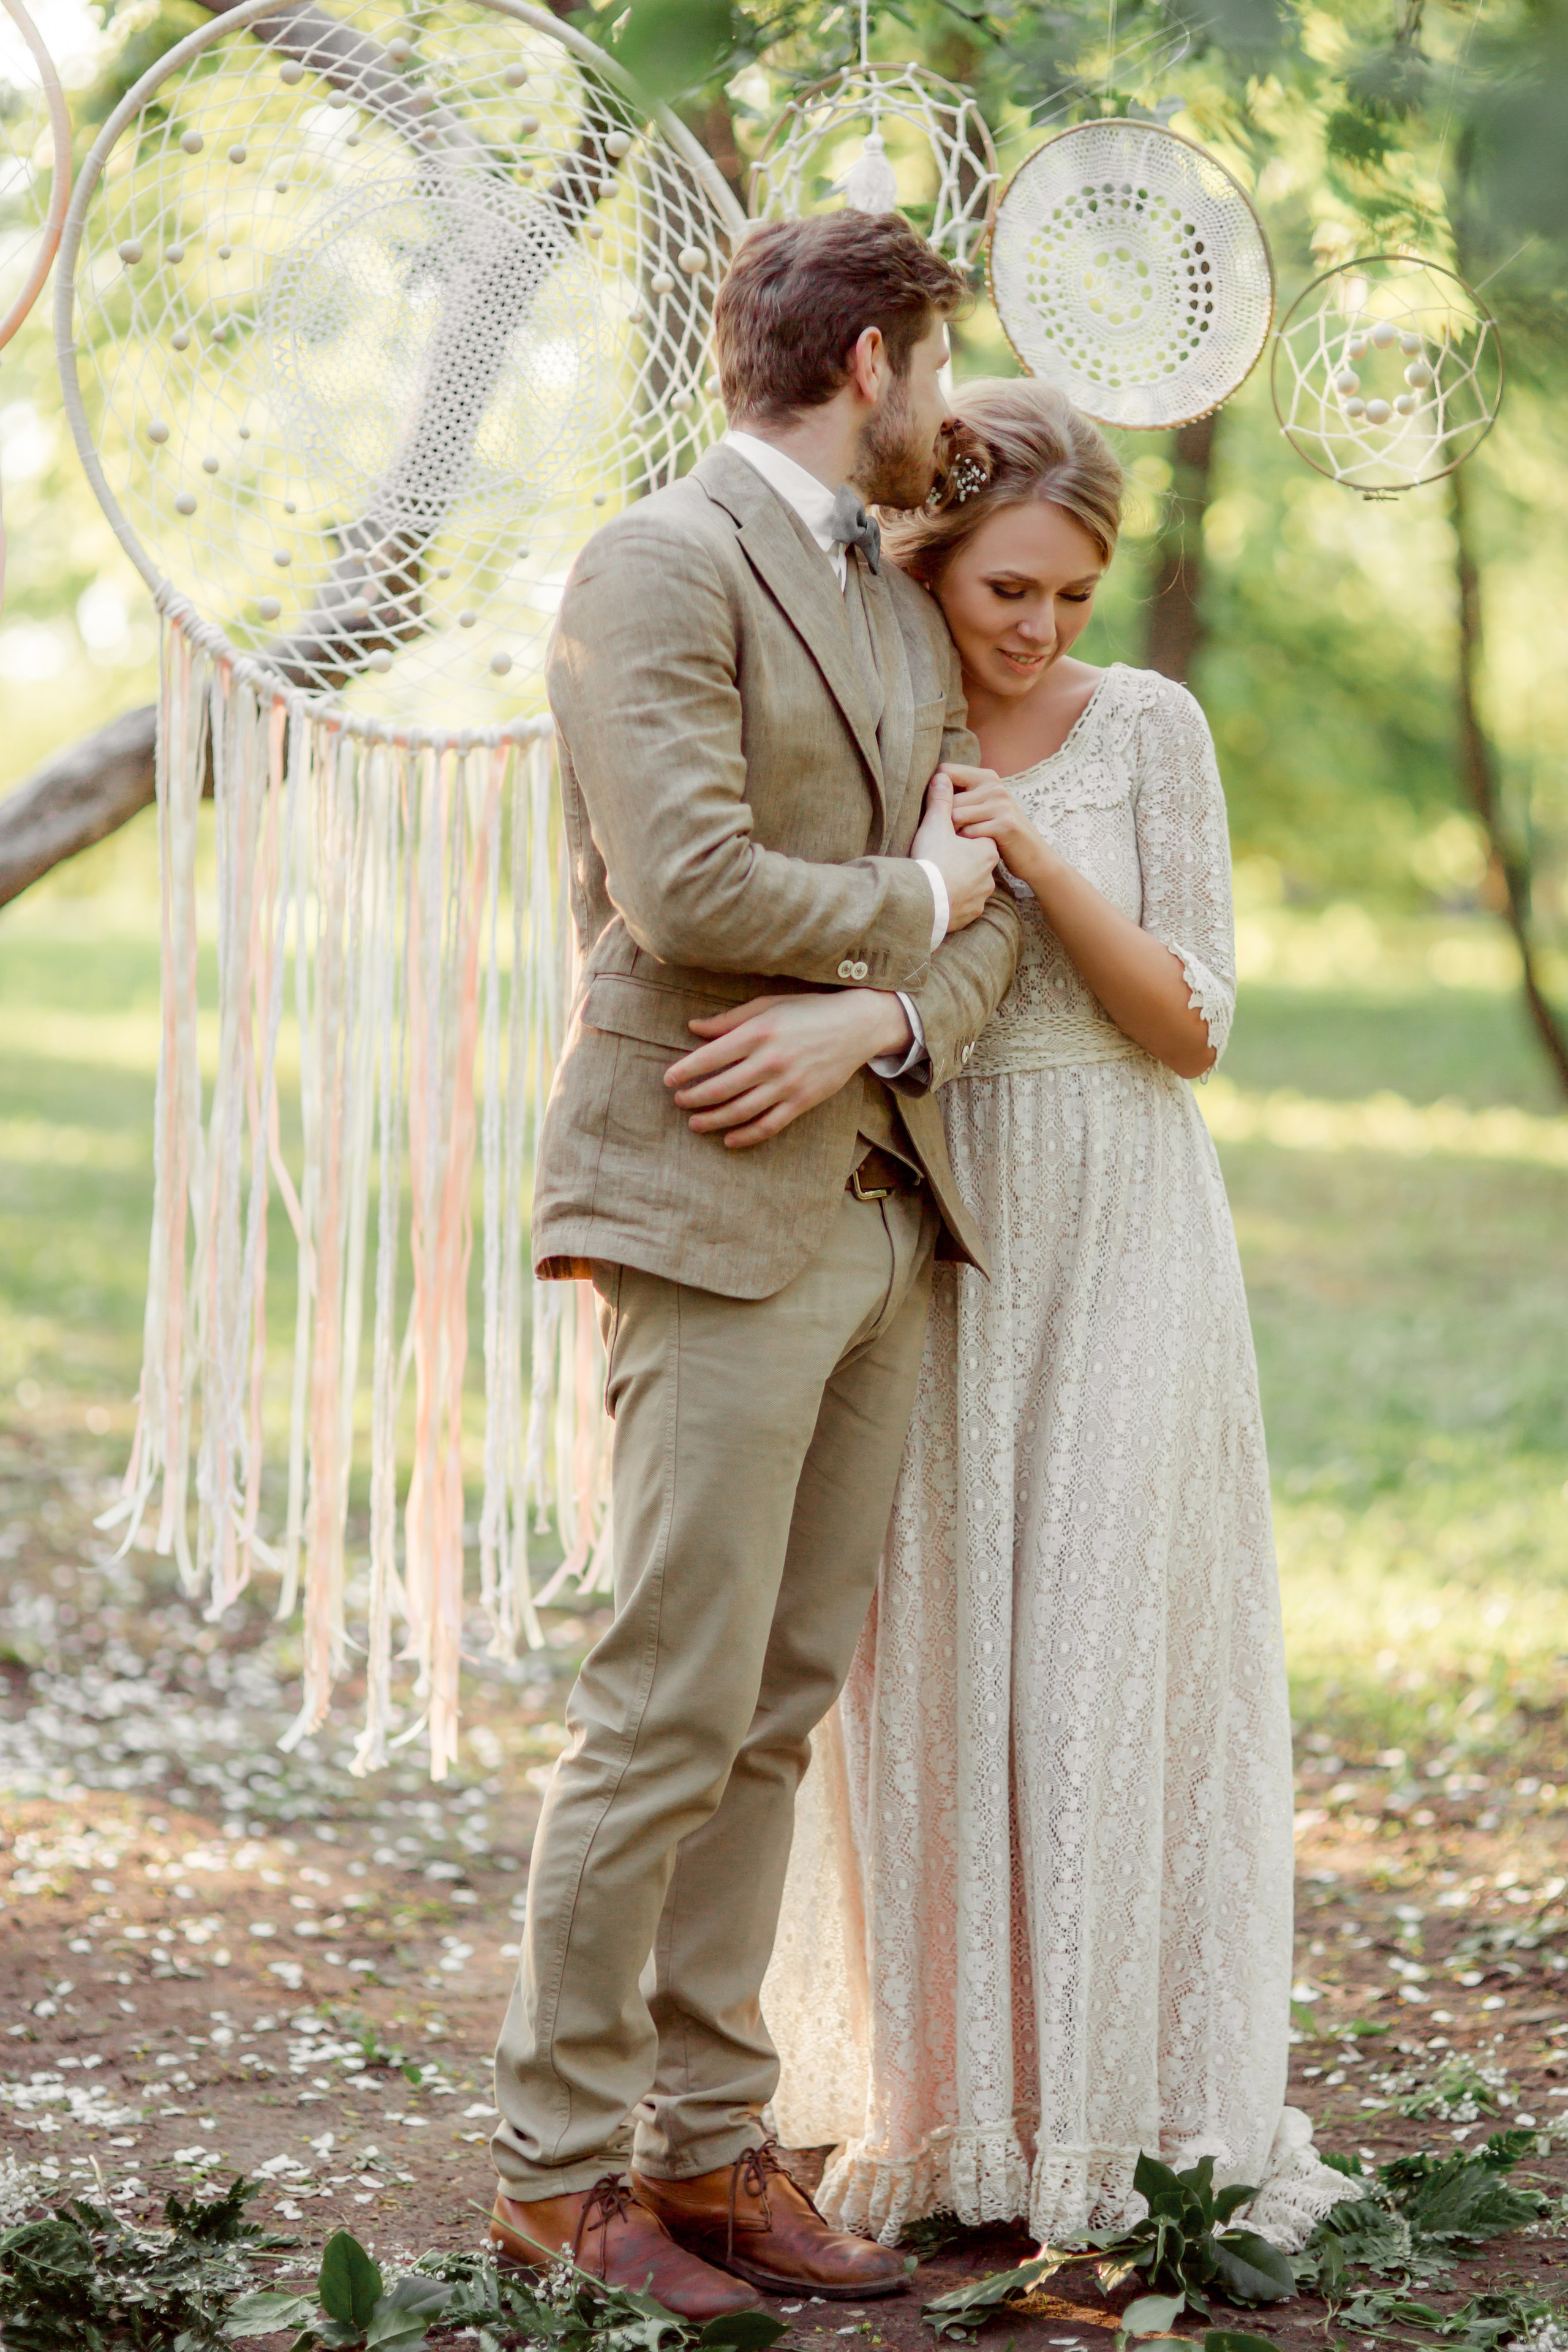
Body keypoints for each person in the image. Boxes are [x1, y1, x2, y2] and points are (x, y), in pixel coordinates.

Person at [486, 217, 1023, 2316]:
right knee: (668, 1699)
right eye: (936, 368)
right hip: (709, 1202)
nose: (949, 412)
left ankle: (710, 2155)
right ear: (873, 357)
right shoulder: (656, 565)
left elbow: (976, 917)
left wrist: (885, 1013)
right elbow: (689, 881)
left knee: (778, 1708)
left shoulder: (887, 586)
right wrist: (901, 907)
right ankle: (553, 2172)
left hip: (885, 1198)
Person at [763, 378, 1358, 2254]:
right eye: (1010, 586)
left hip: (1122, 1215)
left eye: (1073, 597)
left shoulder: (1151, 729)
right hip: (930, 1219)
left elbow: (1195, 1024)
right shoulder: (885, 715)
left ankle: (1121, 2116)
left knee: (1102, 1653)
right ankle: (956, 2121)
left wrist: (1033, 854)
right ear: (932, 560)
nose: (1038, 627)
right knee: (931, 1657)